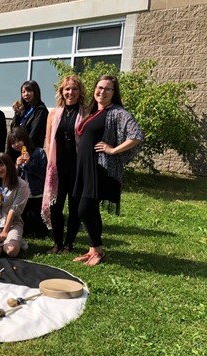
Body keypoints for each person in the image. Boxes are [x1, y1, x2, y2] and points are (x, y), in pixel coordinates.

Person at [72, 75, 144, 266]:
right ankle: (93, 249)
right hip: (84, 167)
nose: (102, 92)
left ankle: (99, 250)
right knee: (90, 208)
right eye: (99, 87)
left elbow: (136, 136)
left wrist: (112, 150)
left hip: (99, 168)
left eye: (108, 89)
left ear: (114, 93)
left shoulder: (117, 112)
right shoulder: (93, 111)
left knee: (85, 209)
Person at [42, 75, 87, 254]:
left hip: (77, 168)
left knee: (75, 207)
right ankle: (57, 242)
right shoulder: (53, 113)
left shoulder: (86, 112)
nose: (70, 92)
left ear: (80, 92)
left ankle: (69, 243)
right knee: (55, 206)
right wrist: (50, 164)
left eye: (74, 89)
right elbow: (47, 141)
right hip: (57, 168)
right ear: (61, 91)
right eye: (67, 89)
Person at [0, 152, 30, 259]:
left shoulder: (21, 185)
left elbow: (14, 209)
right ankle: (7, 241)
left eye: (1, 165)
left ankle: (15, 240)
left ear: (8, 165)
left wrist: (5, 230)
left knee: (11, 251)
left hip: (12, 222)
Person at [8, 127, 48, 238]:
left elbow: (43, 174)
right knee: (24, 220)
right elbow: (10, 179)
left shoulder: (39, 152)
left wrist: (29, 163)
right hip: (22, 193)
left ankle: (40, 231)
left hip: (36, 192)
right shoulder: (12, 157)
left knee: (39, 223)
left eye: (18, 141)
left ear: (25, 139)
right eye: (13, 143)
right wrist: (16, 167)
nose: (16, 145)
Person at [10, 80, 48, 150]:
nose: (26, 94)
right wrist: (17, 114)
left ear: (35, 92)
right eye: (23, 92)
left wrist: (24, 149)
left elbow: (34, 133)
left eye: (29, 91)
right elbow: (14, 129)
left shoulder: (41, 110)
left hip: (30, 150)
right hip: (18, 148)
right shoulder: (24, 109)